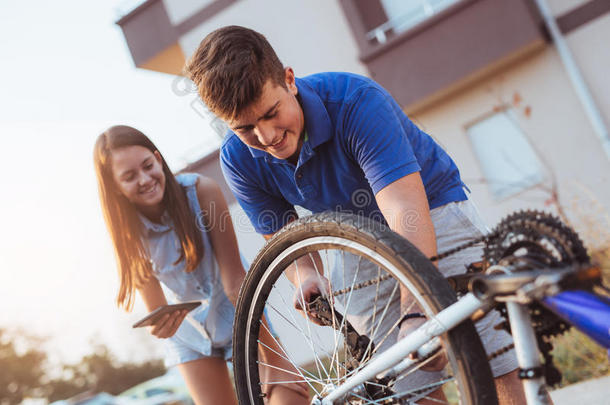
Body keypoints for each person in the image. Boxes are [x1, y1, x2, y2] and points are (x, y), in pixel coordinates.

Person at [184, 25, 528, 404]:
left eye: (271, 113)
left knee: (497, 363)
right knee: (402, 381)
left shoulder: (355, 101)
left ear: (289, 80)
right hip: (355, 239)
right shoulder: (238, 159)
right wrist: (308, 275)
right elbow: (287, 239)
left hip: (429, 210)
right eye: (246, 128)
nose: (267, 137)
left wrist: (416, 310)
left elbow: (405, 211)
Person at [93, 125, 308, 405]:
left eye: (147, 166)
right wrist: (159, 325)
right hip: (191, 338)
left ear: (158, 159)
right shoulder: (125, 234)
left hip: (239, 315)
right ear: (116, 187)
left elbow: (235, 280)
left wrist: (274, 358)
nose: (145, 179)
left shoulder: (201, 191)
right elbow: (156, 311)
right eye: (129, 177)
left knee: (290, 398)